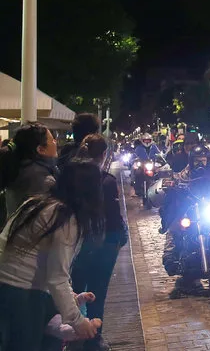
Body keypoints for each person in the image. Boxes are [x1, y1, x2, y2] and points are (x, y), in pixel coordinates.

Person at [0, 159, 104, 350]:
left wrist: (72, 299)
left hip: (9, 289)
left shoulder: (37, 204)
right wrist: (79, 322)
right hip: (22, 295)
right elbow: (56, 278)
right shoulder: (63, 217)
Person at [71, 134, 128, 351]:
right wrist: (120, 239)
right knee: (97, 291)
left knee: (75, 289)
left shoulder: (69, 177)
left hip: (75, 242)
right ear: (104, 154)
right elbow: (114, 218)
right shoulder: (105, 180)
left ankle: (73, 333)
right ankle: (93, 338)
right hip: (103, 243)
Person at [162, 145, 210, 296]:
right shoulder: (186, 173)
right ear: (192, 161)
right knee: (176, 227)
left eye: (203, 161)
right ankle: (171, 259)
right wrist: (171, 183)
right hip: (191, 208)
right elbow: (175, 179)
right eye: (197, 161)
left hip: (208, 207)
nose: (200, 164)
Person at [2, 122, 59, 219]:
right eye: (52, 140)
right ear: (41, 149)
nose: (56, 142)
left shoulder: (17, 167)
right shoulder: (42, 180)